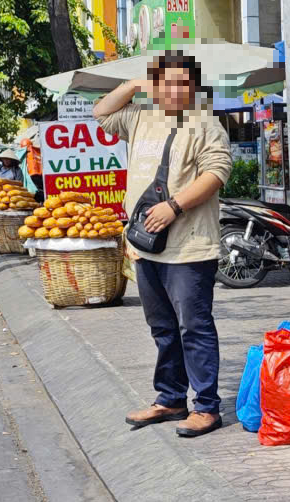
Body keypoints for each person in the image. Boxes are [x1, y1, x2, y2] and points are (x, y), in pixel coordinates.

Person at [94, 52, 233, 438]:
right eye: (164, 82)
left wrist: (174, 206)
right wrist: (136, 84)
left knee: (194, 326)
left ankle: (206, 407)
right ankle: (170, 398)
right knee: (162, 328)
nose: (172, 90)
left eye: (180, 82)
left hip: (189, 247)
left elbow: (217, 172)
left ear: (193, 85)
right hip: (146, 246)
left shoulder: (205, 122)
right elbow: (101, 112)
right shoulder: (141, 116)